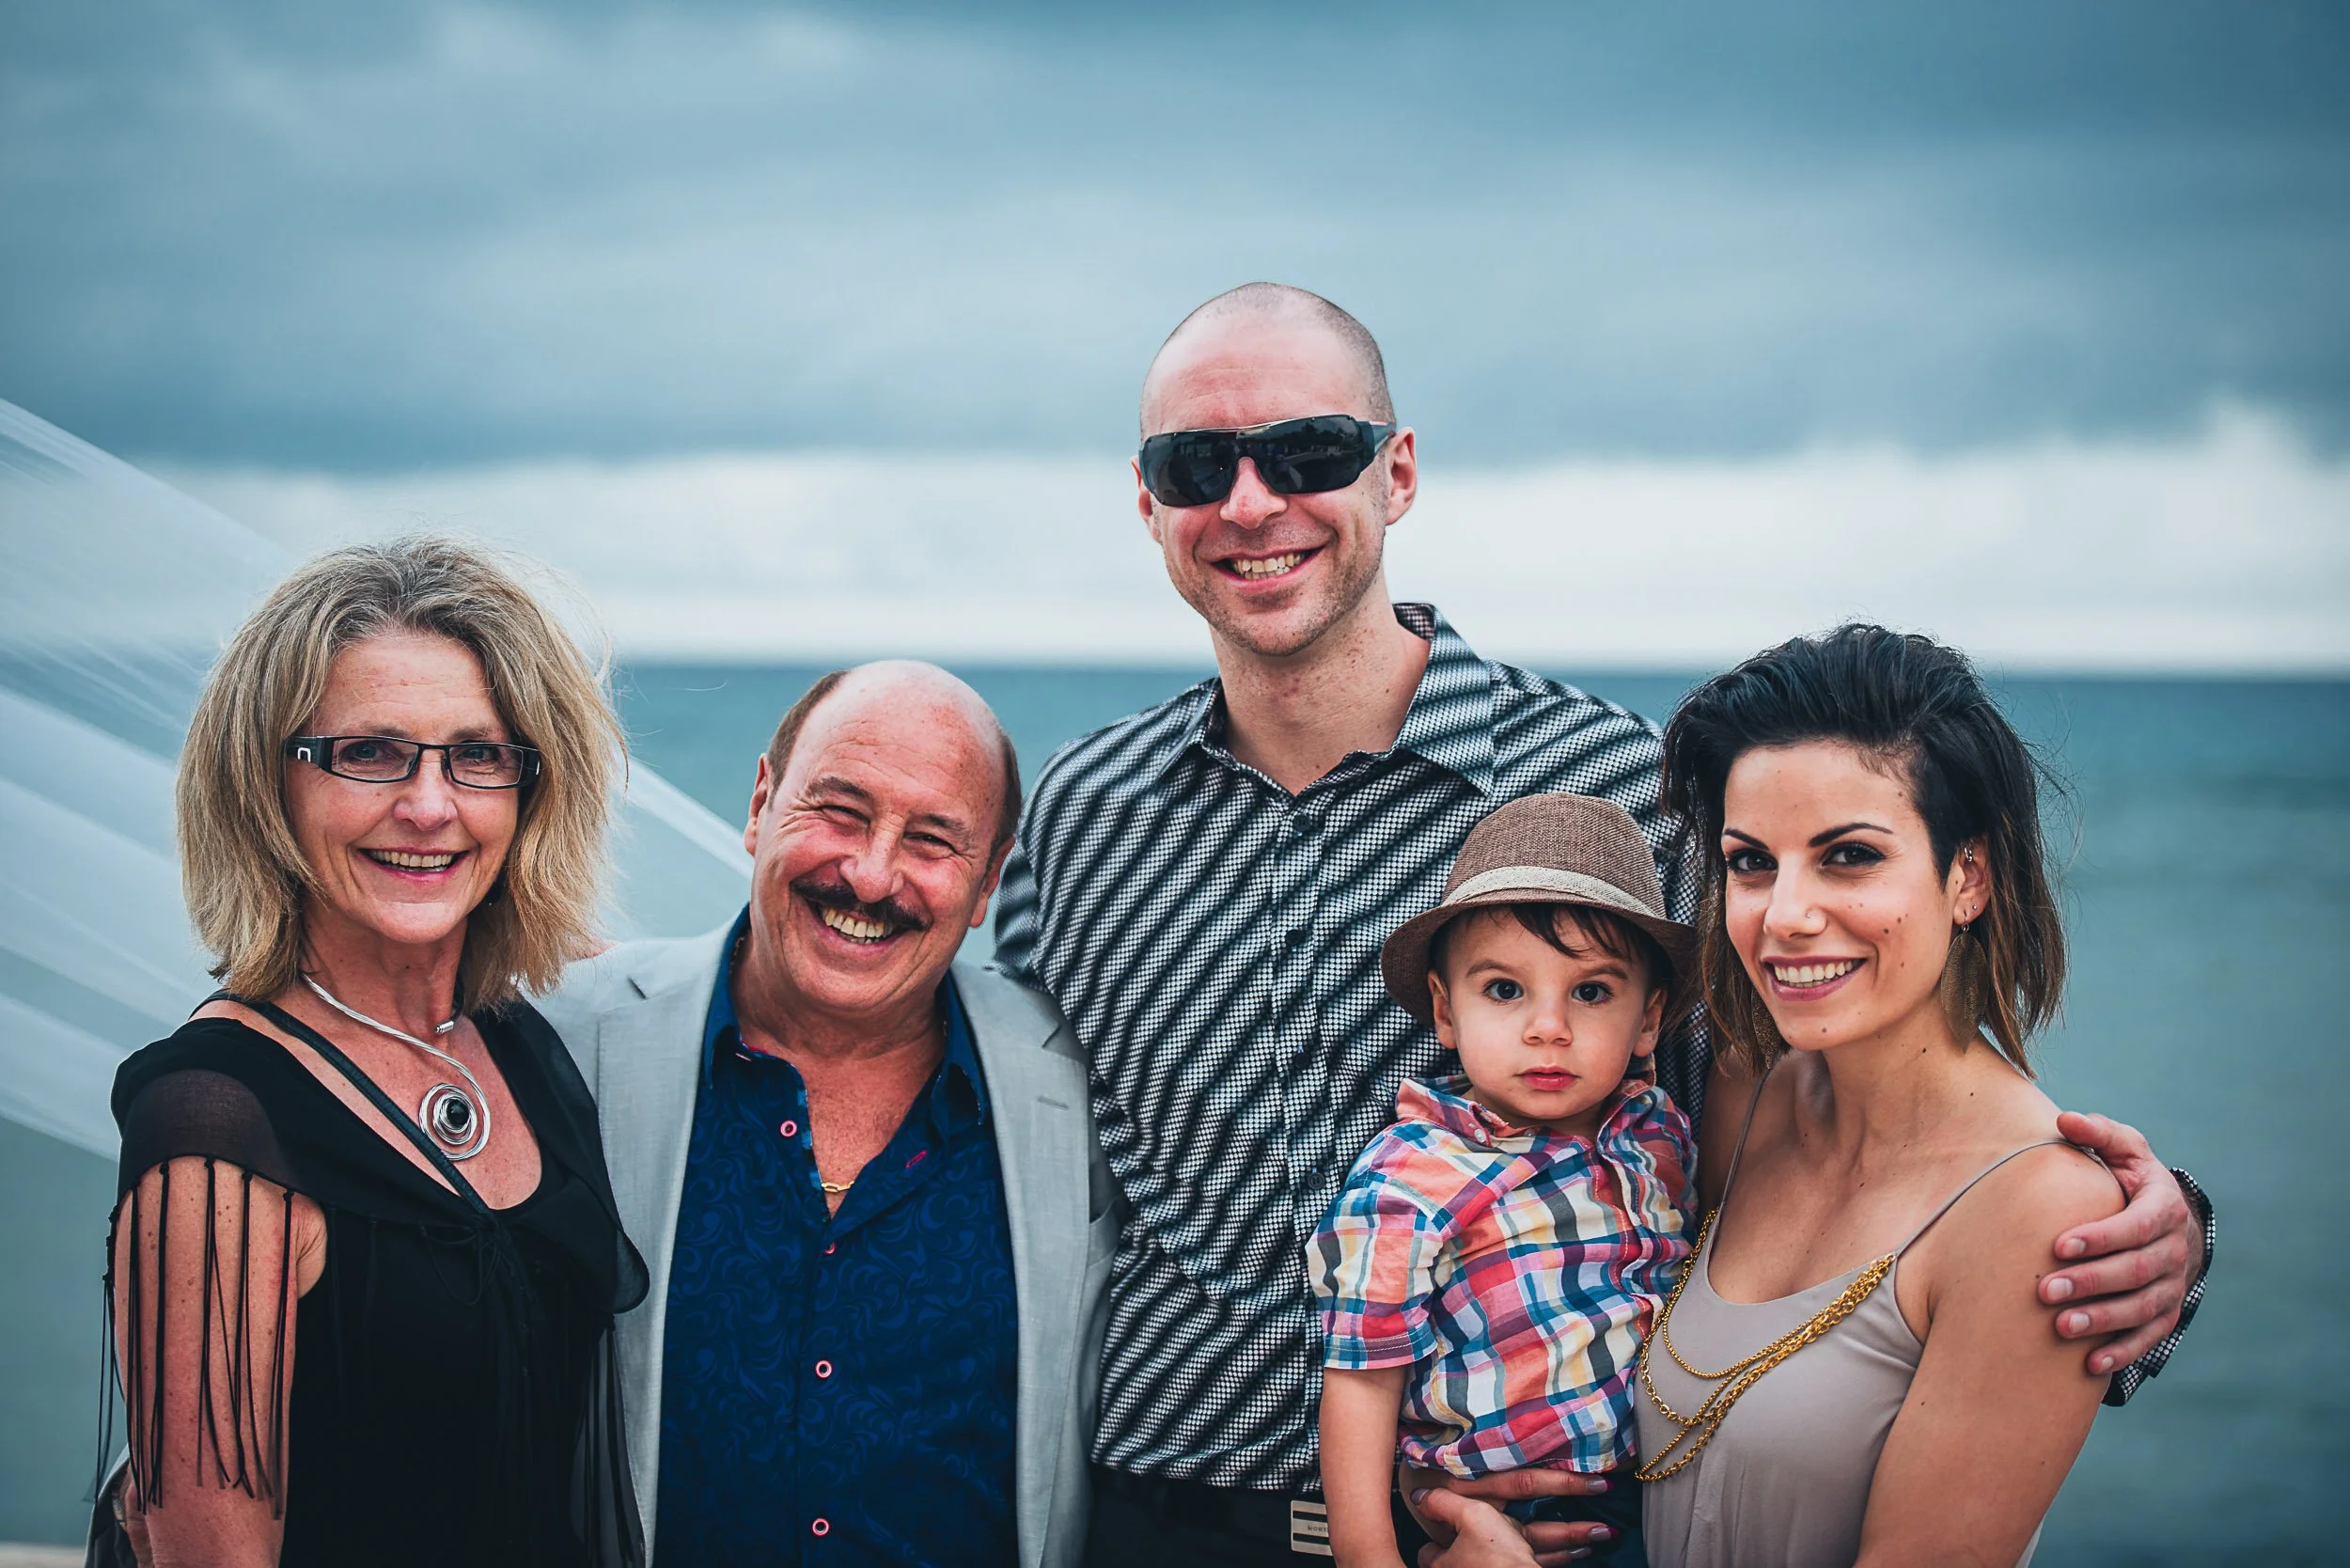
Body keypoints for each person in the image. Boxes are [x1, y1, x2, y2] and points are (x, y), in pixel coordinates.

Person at [992, 281, 2213, 1566]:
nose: (1251, 504)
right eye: (1197, 466)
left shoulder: (1621, 790)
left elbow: (1834, 1086)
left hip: (1531, 1532)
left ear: (1396, 474)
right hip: (1156, 1523)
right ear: (1149, 505)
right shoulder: (1086, 812)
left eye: (1308, 452)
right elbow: (982, 1111)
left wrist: (2132, 1241)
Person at [98, 537, 647, 1568]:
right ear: (270, 784)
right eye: (370, 752)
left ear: (531, 790)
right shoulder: (215, 1123)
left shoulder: (526, 1047)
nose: (430, 806)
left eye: (478, 756)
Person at [536, 661, 1112, 1568]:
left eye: (932, 841)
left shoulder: (1079, 1086)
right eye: (840, 812)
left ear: (990, 882)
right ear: (762, 802)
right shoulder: (565, 1034)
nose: (871, 875)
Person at [1625, 624, 2126, 1565]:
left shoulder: (2039, 1211)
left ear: (1966, 875)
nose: (1784, 916)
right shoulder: (1749, 1092)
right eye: (1749, 862)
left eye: (1848, 856)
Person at [1311, 794, 1699, 1568]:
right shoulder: (1411, 1177)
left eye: (1590, 992)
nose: (1547, 1026)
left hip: (1665, 1494)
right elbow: (1361, 1383)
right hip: (1506, 1508)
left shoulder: (1660, 1134)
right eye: (1504, 990)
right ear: (1445, 1012)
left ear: (1649, 1021)